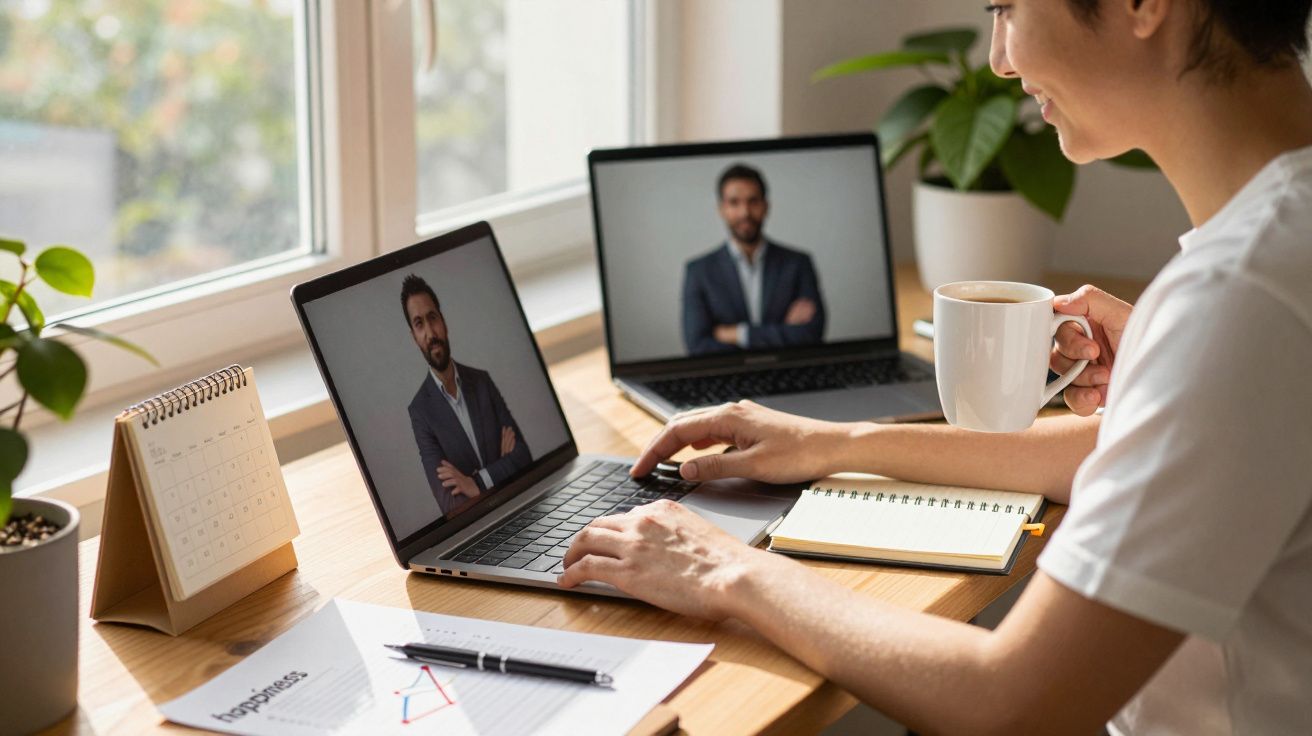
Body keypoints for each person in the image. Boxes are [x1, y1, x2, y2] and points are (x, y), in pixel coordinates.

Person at [563, 1, 1312, 732]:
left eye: (1006, 7)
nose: (998, 57)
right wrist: (836, 444)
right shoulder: (1277, 241)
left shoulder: (1244, 291)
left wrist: (724, 571)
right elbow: (1106, 449)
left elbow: (1014, 702)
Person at [402, 274, 531, 517]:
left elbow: (524, 456)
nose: (430, 333)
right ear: (414, 337)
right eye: (419, 324)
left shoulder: (482, 381)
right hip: (479, 530)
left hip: (521, 510)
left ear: (444, 321)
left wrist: (476, 483)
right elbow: (452, 505)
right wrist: (503, 472)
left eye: (433, 318)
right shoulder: (420, 412)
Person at [681, 163, 826, 355]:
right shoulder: (698, 271)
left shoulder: (798, 263)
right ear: (721, 209)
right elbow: (698, 347)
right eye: (734, 203)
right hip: (727, 376)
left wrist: (738, 334)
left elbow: (811, 334)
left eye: (753, 201)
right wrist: (781, 332)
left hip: (788, 370)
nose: (745, 213)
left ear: (766, 206)